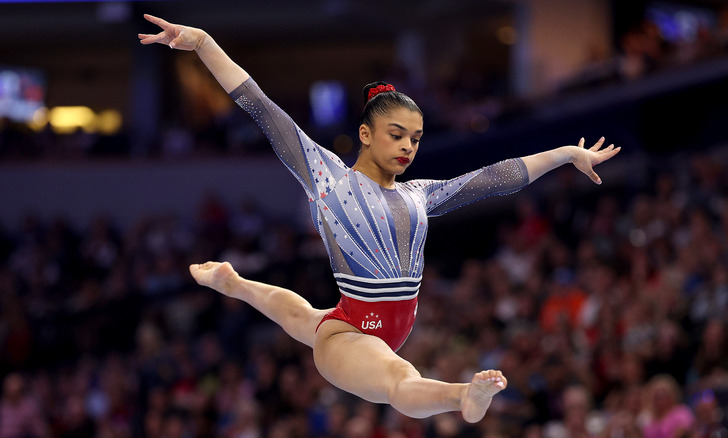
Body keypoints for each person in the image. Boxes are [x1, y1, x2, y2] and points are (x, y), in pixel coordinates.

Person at [139, 14, 621, 422]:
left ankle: (235, 283)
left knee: (303, 316)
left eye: (416, 137)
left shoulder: (419, 194)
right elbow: (260, 106)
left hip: (364, 322)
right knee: (397, 378)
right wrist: (202, 43)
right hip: (350, 339)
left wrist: (563, 154)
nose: (409, 147)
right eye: (397, 135)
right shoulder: (327, 176)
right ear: (366, 135)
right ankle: (461, 396)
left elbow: (498, 177)